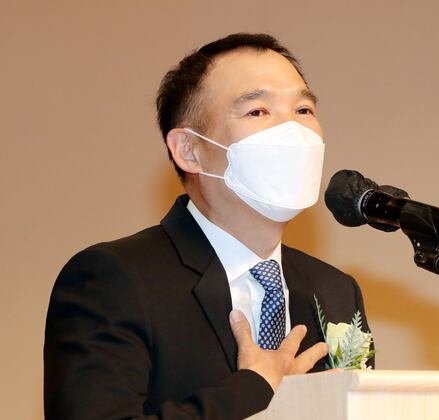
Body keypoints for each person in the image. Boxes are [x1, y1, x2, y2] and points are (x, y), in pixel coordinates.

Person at [44, 33, 372, 420]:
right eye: (258, 111)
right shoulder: (114, 278)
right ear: (190, 150)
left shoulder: (335, 290)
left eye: (303, 110)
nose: (293, 131)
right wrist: (254, 389)